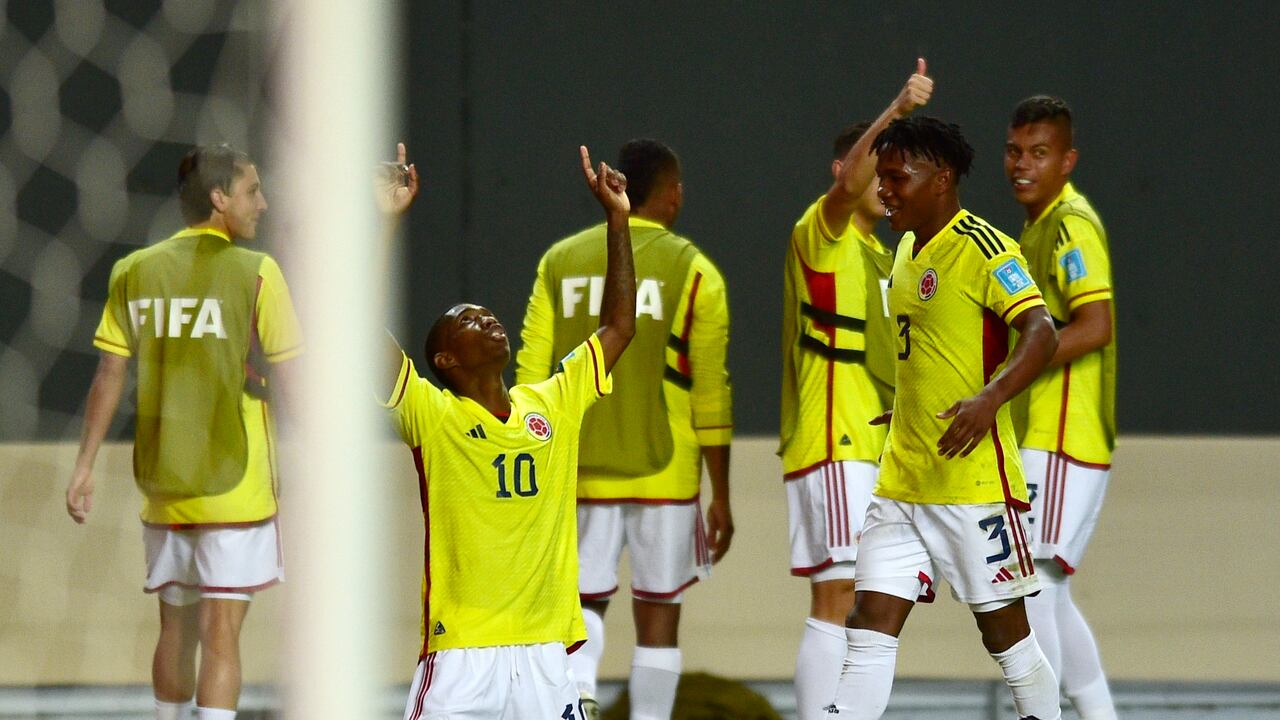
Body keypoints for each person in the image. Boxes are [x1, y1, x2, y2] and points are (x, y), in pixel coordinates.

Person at [377, 143, 636, 720]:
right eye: (469, 320)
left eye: (488, 314)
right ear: (444, 361)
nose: (487, 319)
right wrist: (384, 223)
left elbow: (620, 326)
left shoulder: (555, 400)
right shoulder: (431, 414)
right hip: (462, 657)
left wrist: (618, 220)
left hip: (545, 654)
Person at [827, 117, 1063, 720]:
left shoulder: (986, 248)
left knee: (1006, 639)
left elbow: (1041, 333)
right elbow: (929, 352)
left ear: (942, 178)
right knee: (869, 622)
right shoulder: (905, 250)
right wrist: (906, 408)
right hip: (904, 479)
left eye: (897, 177)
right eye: (881, 178)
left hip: (973, 485)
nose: (884, 191)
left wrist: (990, 398)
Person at [65, 144, 302, 720]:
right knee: (222, 633)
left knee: (174, 630)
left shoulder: (135, 271)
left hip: (164, 482)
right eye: (252, 192)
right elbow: (295, 378)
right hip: (235, 481)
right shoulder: (257, 273)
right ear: (219, 199)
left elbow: (109, 372)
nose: (262, 204)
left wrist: (85, 466)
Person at [515, 139, 734, 720]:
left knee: (581, 602)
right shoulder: (694, 268)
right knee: (659, 612)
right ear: (670, 191)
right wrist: (723, 493)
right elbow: (711, 389)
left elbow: (531, 372)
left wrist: (531, 461)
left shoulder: (559, 260)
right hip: (665, 469)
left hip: (577, 466)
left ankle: (578, 695)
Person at [780, 59, 931, 720]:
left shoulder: (884, 256)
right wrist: (896, 112)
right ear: (852, 170)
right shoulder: (823, 234)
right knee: (836, 595)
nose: (888, 183)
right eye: (880, 168)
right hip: (833, 438)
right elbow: (846, 191)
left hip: (870, 445)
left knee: (866, 595)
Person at [1004, 95, 1118, 720]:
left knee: (1034, 586)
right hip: (1048, 434)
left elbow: (1094, 324)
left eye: (1039, 153)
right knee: (1051, 588)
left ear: (1067, 160)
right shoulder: (1039, 225)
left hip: (1063, 436)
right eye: (1015, 151)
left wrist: (1011, 371)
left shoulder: (1071, 223)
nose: (1023, 165)